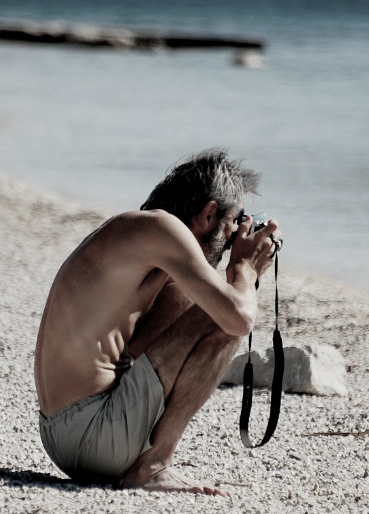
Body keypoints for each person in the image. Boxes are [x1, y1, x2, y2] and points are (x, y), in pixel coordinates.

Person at [34, 150, 281, 495]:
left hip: (61, 436)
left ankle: (142, 458)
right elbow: (237, 319)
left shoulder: (137, 236)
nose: (235, 235)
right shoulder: (161, 228)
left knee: (199, 297)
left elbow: (170, 323)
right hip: (94, 436)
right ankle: (153, 465)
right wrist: (244, 269)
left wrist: (235, 277)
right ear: (209, 213)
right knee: (221, 318)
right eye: (234, 220)